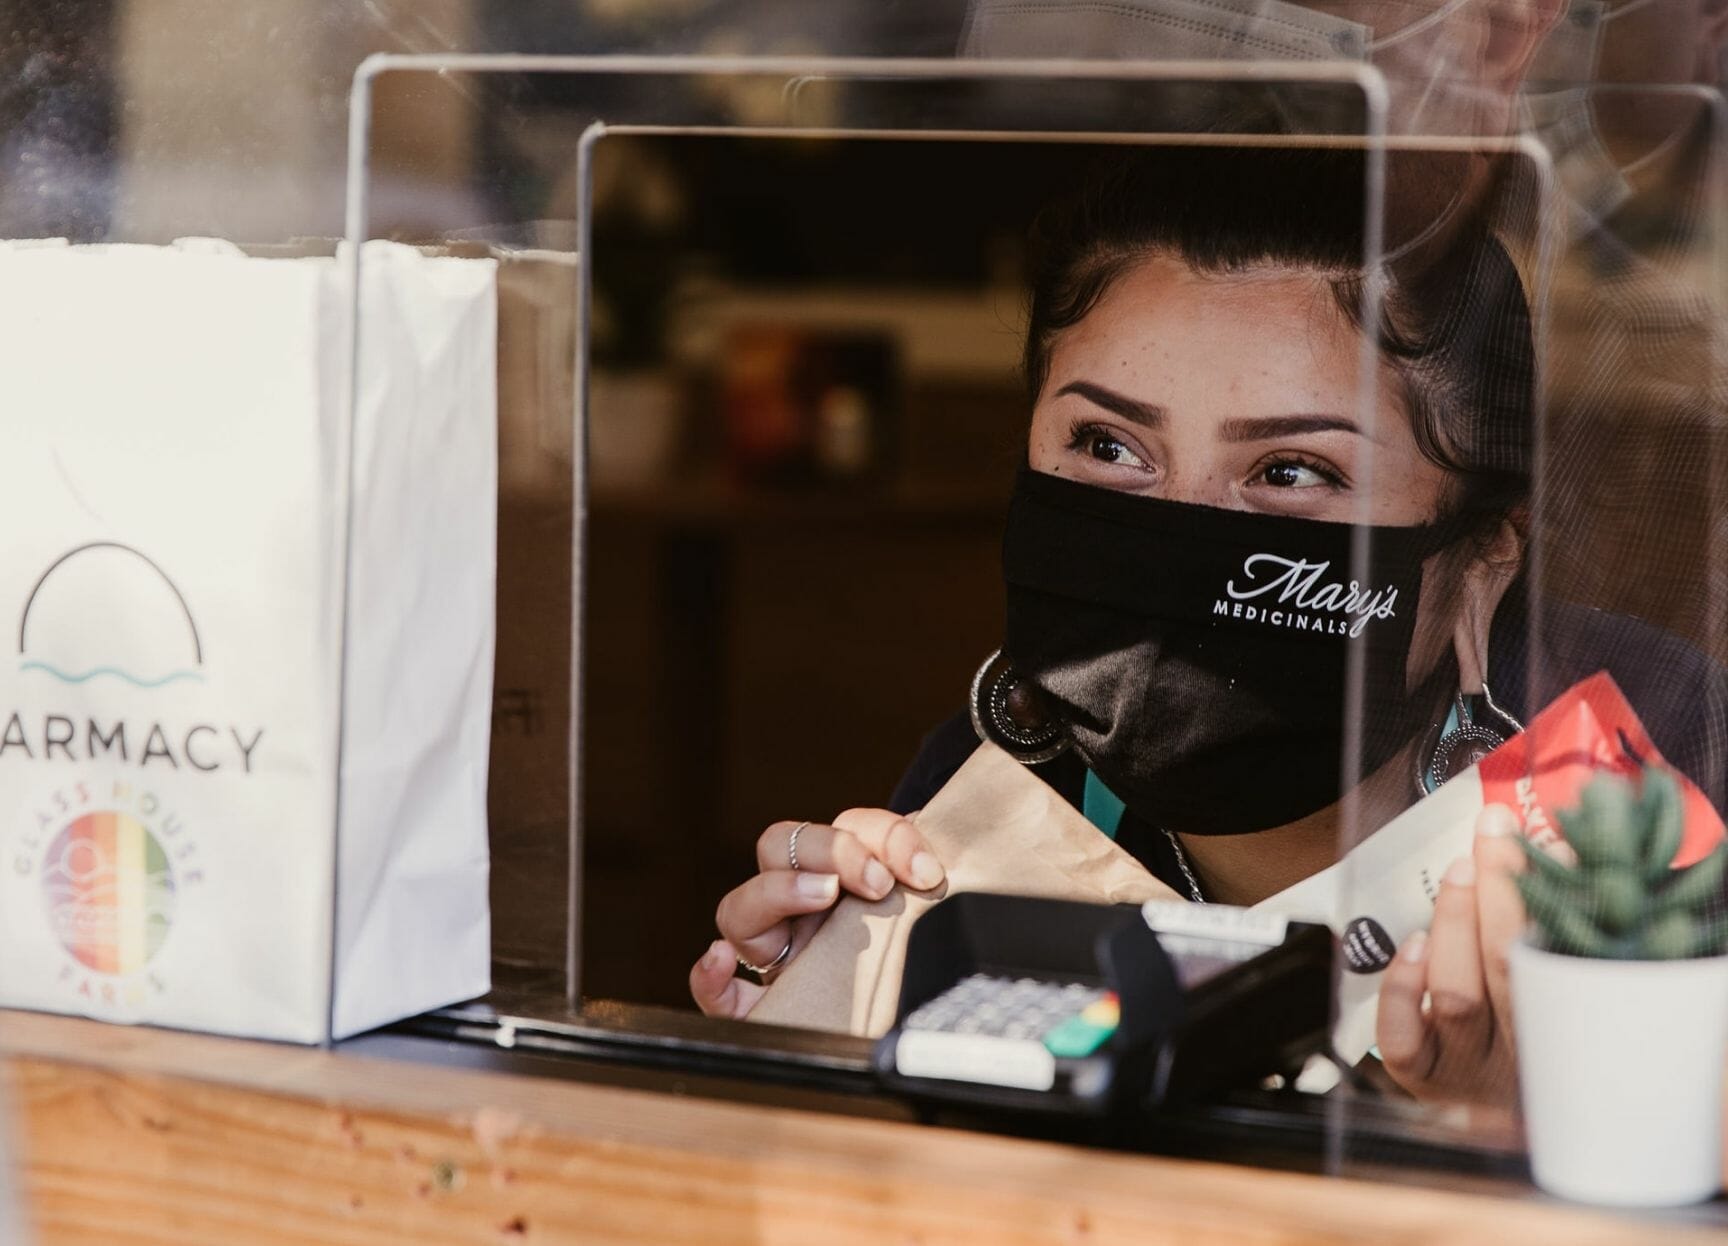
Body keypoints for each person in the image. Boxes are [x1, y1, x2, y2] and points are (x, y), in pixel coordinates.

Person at [688, 144, 1724, 1108]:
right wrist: (813, 1047)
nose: (1174, 534)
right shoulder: (996, 779)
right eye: (1107, 446)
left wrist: (1565, 1130)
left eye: (1290, 472)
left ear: (1479, 561)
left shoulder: (1667, 778)